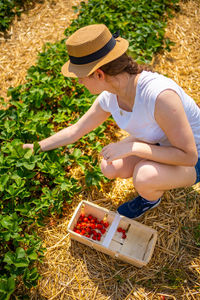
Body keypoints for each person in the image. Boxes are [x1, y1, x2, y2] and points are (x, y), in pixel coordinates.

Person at [23, 24, 200, 219]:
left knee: (144, 175)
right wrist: (36, 147)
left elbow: (188, 156)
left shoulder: (159, 96)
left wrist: (134, 147)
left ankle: (150, 199)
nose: (79, 82)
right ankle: (153, 175)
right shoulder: (110, 96)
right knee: (109, 166)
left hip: (194, 158)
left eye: (81, 77)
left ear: (99, 74)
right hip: (160, 143)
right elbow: (76, 130)